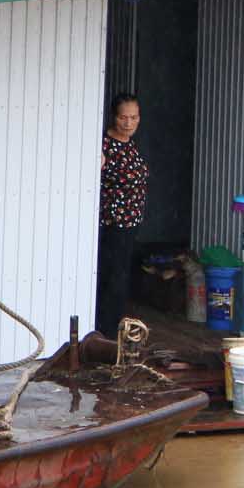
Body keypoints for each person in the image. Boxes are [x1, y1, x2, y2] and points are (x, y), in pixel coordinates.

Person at [97, 94, 149, 334]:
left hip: (131, 223)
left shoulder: (131, 144)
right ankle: (104, 332)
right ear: (113, 117)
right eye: (123, 117)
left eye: (134, 117)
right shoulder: (104, 145)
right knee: (111, 278)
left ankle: (114, 328)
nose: (129, 123)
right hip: (112, 223)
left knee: (121, 277)